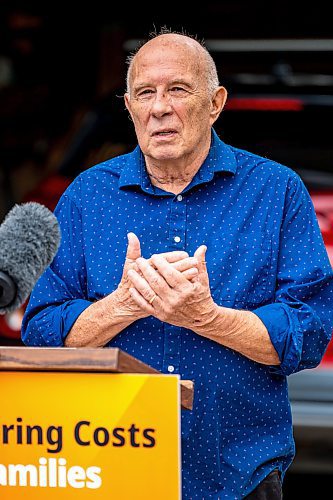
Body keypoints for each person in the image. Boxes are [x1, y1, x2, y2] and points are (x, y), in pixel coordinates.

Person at [21, 29, 333, 499]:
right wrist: (123, 305)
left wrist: (208, 318)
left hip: (236, 477)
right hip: (109, 471)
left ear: (215, 102)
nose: (159, 107)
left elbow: (307, 334)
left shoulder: (276, 191)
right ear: (129, 107)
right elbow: (40, 335)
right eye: (145, 92)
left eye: (178, 90)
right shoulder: (86, 196)